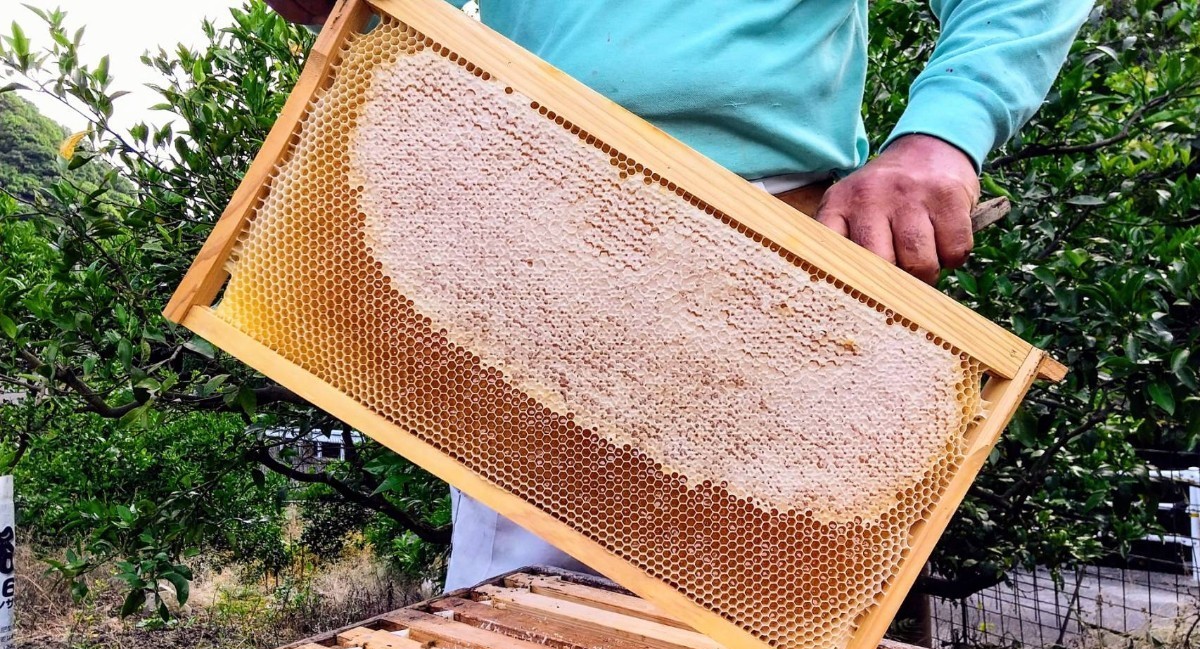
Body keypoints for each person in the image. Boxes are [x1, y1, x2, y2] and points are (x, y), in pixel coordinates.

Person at [267, 0, 1094, 590]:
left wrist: (944, 129)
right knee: (521, 631)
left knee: (768, 614)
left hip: (785, 298)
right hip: (528, 275)